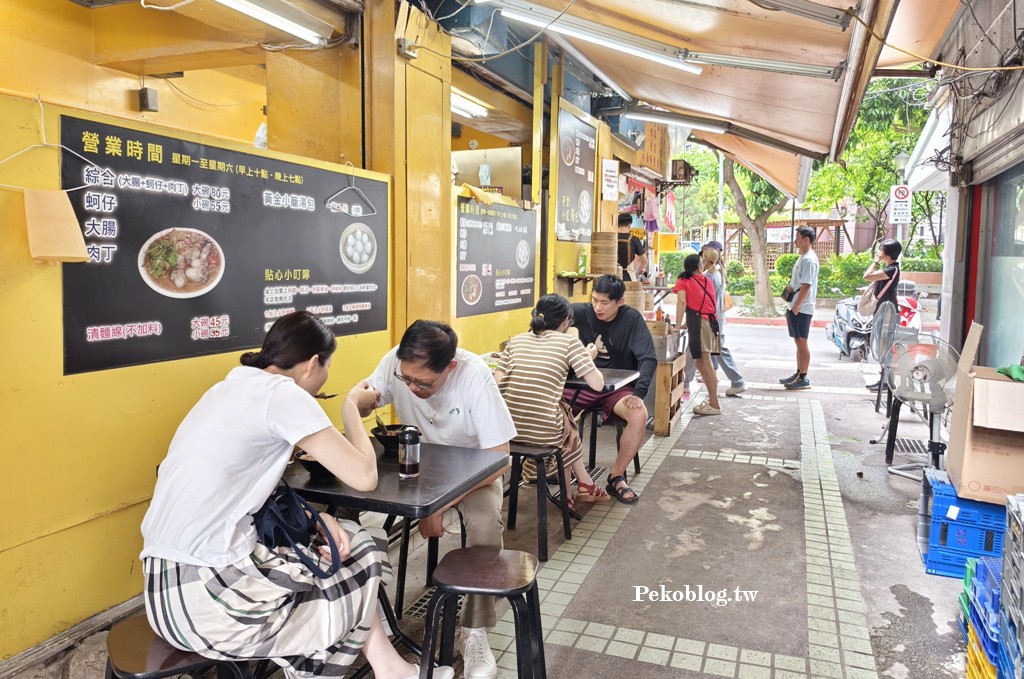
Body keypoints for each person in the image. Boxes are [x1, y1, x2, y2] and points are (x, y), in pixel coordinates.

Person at [140, 311, 452, 679]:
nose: (325, 378)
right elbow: (365, 477)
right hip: (211, 604)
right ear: (312, 363)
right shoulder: (282, 394)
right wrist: (350, 408)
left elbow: (241, 491)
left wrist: (319, 519)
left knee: (342, 545)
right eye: (328, 367)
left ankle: (392, 669)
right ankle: (376, 671)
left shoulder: (225, 389)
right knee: (355, 557)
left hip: (161, 594)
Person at [352, 320, 516, 679]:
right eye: (406, 379)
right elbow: (370, 398)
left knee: (485, 525)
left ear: (450, 366)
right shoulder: (396, 362)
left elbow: (500, 458)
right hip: (419, 467)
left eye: (423, 383)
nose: (412, 388)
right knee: (355, 515)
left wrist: (437, 506)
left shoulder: (474, 376)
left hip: (475, 471)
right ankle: (371, 621)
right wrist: (360, 402)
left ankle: (474, 631)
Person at [493, 294, 610, 506]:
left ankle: (575, 490)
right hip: (543, 434)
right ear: (565, 322)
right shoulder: (569, 342)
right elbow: (597, 384)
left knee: (564, 418)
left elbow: (498, 382)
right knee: (568, 425)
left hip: (507, 430)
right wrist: (587, 356)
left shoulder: (515, 341)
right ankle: (579, 487)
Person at [566, 274, 657, 505]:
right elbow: (545, 315)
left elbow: (648, 358)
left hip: (617, 389)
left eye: (605, 302)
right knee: (549, 405)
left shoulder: (632, 319)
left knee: (639, 414)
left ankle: (616, 477)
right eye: (595, 300)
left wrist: (639, 393)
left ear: (620, 302)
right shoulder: (581, 311)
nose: (598, 307)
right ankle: (549, 466)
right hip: (584, 383)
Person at [682, 242, 746, 397]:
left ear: (708, 261)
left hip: (707, 320)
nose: (700, 261)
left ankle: (686, 382)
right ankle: (736, 381)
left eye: (702, 258)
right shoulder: (718, 272)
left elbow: (699, 301)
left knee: (696, 350)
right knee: (713, 350)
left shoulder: (708, 277)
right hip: (715, 319)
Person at [674, 254, 723, 415]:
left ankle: (714, 404)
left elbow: (682, 302)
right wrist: (686, 323)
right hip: (709, 323)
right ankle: (712, 401)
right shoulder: (706, 280)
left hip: (701, 323)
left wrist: (677, 326)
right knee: (700, 364)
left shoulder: (683, 281)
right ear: (698, 267)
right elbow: (702, 302)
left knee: (705, 363)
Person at [780, 226, 820, 390]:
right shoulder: (803, 257)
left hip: (802, 307)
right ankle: (799, 373)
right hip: (796, 306)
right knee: (798, 342)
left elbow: (806, 286)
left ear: (806, 240)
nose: (794, 241)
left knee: (802, 342)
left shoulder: (809, 259)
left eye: (797, 238)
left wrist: (796, 307)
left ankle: (803, 377)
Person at [863, 238, 903, 391]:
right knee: (883, 346)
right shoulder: (891, 269)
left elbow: (867, 275)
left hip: (886, 313)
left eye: (880, 250)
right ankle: (884, 380)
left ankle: (887, 382)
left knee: (885, 347)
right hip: (883, 311)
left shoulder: (891, 270)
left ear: (885, 253)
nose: (879, 252)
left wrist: (875, 261)